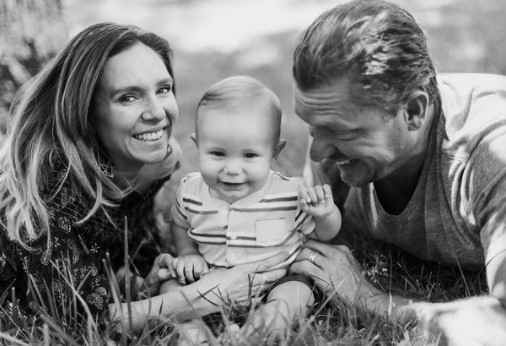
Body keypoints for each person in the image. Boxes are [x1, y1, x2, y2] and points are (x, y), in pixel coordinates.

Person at [0, 23, 287, 332]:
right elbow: (75, 320)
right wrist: (204, 295)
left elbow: (111, 255)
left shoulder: (156, 162)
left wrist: (142, 281)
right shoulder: (47, 188)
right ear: (83, 111)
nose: (157, 112)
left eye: (163, 89)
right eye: (128, 97)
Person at [289, 0, 506, 344]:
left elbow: (500, 323)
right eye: (313, 128)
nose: (317, 152)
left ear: (414, 111)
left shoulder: (491, 154)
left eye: (342, 132)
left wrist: (370, 299)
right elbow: (301, 242)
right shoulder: (332, 117)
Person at [168, 76, 342, 342]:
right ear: (197, 146)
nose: (232, 168)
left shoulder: (289, 194)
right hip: (209, 289)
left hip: (274, 284)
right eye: (217, 154)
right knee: (171, 287)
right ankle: (196, 334)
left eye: (249, 155)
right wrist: (187, 252)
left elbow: (323, 235)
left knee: (295, 293)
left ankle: (256, 332)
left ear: (274, 152)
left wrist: (326, 216)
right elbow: (179, 221)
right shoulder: (190, 191)